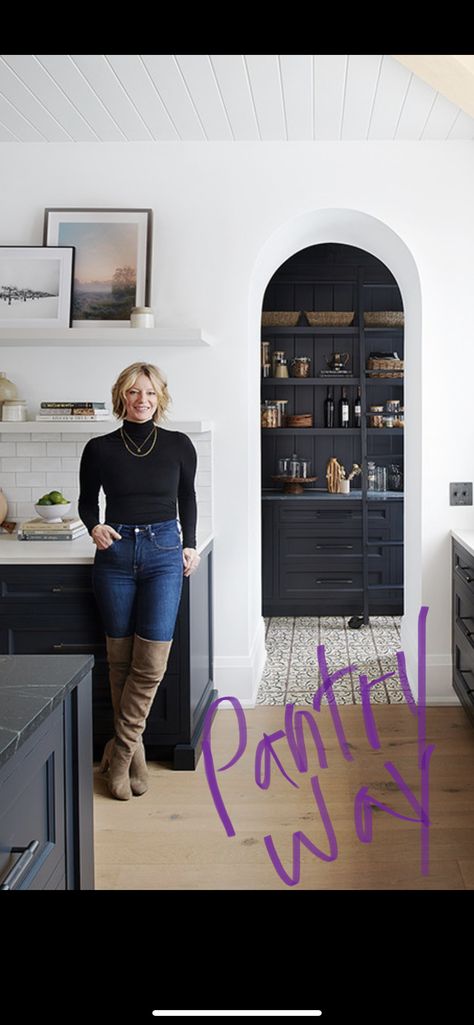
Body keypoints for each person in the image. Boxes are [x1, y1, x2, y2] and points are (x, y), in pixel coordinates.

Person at [78, 362, 200, 801]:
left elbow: (186, 498)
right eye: (133, 393)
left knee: (150, 663)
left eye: (149, 393)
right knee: (120, 661)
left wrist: (191, 543)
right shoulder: (99, 448)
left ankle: (122, 750)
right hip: (115, 553)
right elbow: (87, 503)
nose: (142, 400)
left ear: (160, 396)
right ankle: (137, 754)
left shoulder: (179, 445)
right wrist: (94, 527)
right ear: (121, 397)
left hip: (165, 552)